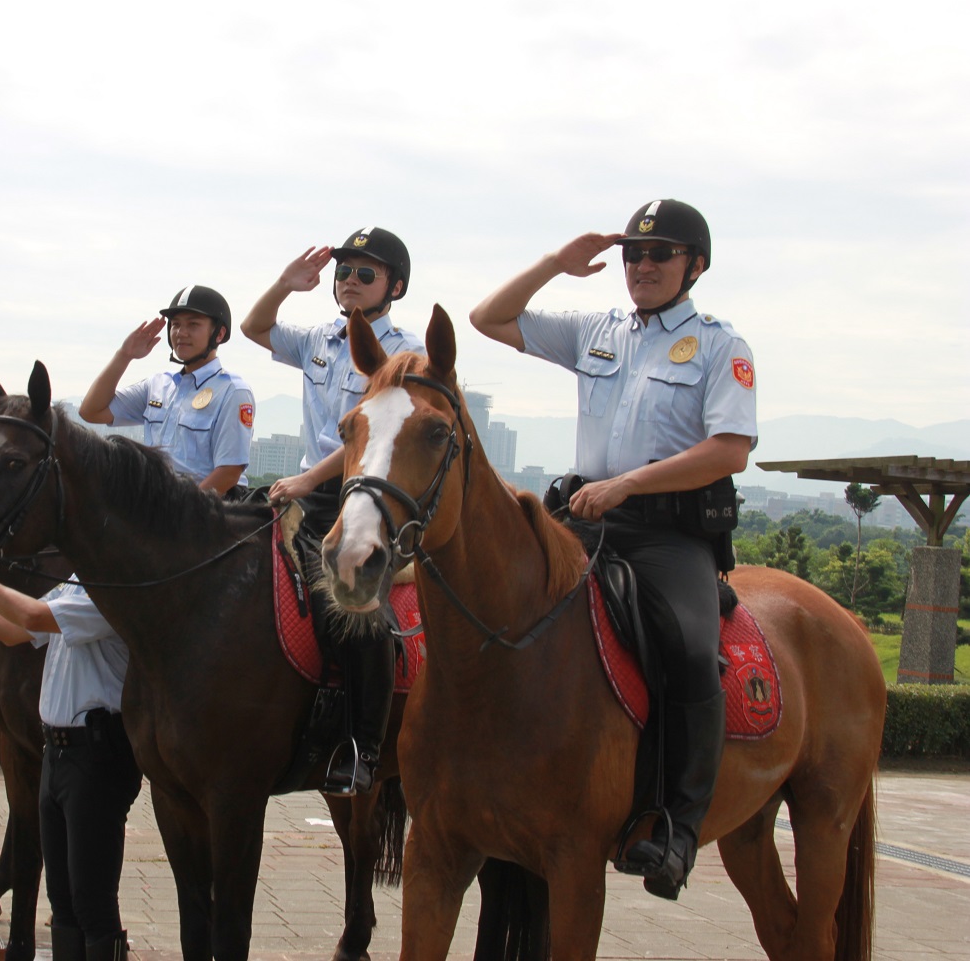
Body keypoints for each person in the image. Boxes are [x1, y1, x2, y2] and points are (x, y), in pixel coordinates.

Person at [468, 198, 756, 900]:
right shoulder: (598, 329)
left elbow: (731, 449)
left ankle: (676, 826)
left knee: (690, 652)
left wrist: (628, 484)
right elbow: (488, 318)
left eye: (660, 255)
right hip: (585, 521)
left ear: (696, 265)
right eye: (634, 255)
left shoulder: (721, 345)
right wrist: (555, 266)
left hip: (669, 535)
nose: (643, 266)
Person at [240, 226, 425, 796]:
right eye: (345, 271)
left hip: (363, 497)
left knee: (357, 612)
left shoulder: (403, 352)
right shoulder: (320, 337)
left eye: (364, 273)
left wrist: (305, 479)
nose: (350, 280)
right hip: (300, 493)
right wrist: (285, 284)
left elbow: (369, 438)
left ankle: (360, 746)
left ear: (393, 285)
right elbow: (254, 327)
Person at [0, 577, 140, 961]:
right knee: (63, 902)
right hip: (56, 754)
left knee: (92, 901)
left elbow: (31, 615)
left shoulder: (113, 588)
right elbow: (9, 631)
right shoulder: (72, 584)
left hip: (96, 757)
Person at [78, 286, 255, 496]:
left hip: (211, 509)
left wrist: (178, 513)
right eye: (176, 325)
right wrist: (124, 355)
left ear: (219, 333)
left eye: (193, 324)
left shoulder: (232, 391)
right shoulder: (158, 385)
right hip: (158, 506)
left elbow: (229, 472)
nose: (181, 332)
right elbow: (91, 411)